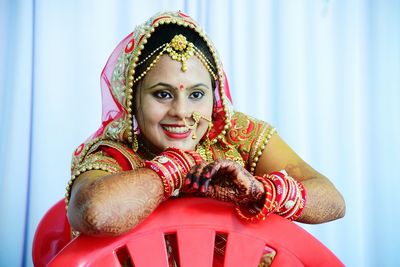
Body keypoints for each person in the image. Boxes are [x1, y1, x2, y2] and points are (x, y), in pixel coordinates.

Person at [66, 11, 345, 266]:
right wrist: (179, 168)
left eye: (196, 95)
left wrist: (260, 191)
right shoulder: (116, 151)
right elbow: (93, 214)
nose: (182, 112)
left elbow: (333, 201)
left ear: (215, 96)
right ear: (132, 100)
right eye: (162, 94)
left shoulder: (235, 134)